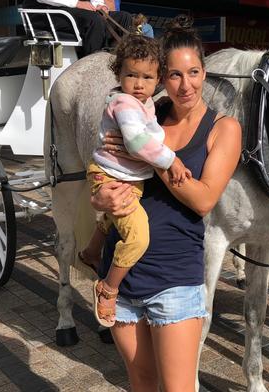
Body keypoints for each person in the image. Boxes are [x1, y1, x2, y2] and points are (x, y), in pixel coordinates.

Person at [90, 15, 241, 390]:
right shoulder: (143, 113)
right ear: (162, 79)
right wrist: (100, 195)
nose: (184, 84)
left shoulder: (223, 129)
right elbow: (107, 170)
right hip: (122, 275)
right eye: (174, 74)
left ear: (205, 73)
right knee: (140, 382)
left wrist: (147, 158)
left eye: (193, 72)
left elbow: (204, 199)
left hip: (174, 279)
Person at [78, 34, 191, 328]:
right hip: (113, 175)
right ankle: (108, 288)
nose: (139, 84)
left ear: (158, 80)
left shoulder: (146, 104)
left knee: (111, 220)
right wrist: (171, 160)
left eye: (147, 77)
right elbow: (139, 142)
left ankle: (91, 252)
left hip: (128, 175)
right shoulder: (126, 103)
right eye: (131, 75)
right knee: (138, 237)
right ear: (119, 74)